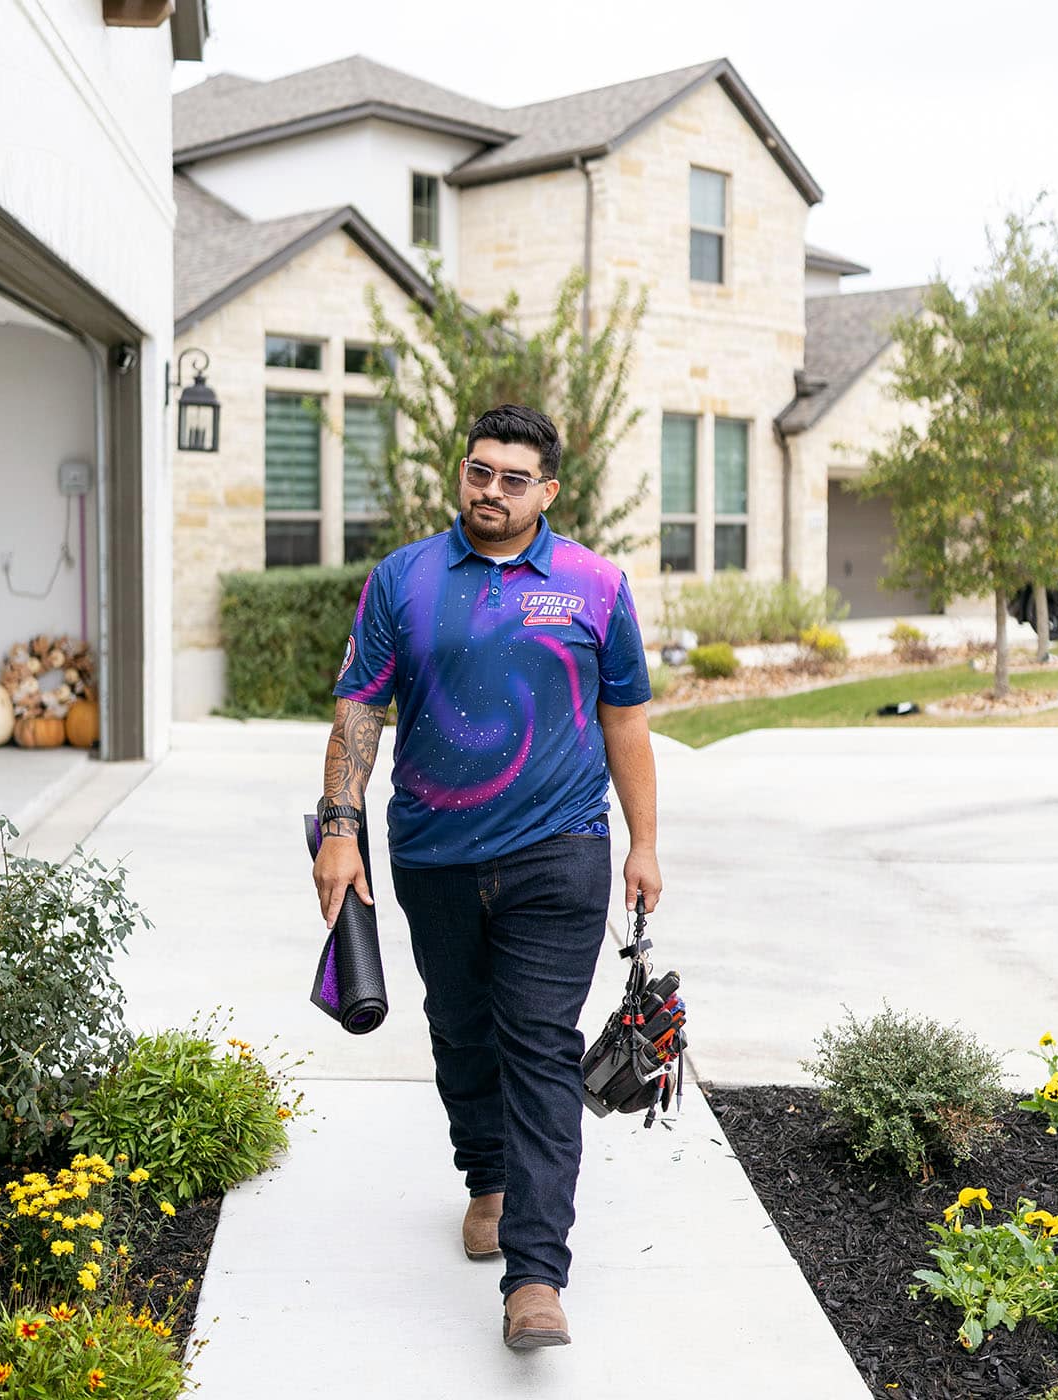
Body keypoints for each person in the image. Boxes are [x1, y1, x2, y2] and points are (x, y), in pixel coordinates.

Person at [312, 403, 661, 1350]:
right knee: (461, 1030)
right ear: (460, 474)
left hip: (560, 851)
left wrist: (643, 842)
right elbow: (360, 706)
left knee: (542, 1049)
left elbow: (625, 719)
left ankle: (537, 1274)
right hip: (433, 855)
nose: (492, 491)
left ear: (547, 491)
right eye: (480, 472)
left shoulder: (594, 585)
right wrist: (338, 827)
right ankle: (489, 1179)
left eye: (514, 479)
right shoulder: (403, 579)